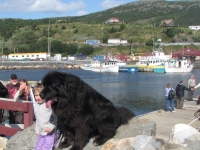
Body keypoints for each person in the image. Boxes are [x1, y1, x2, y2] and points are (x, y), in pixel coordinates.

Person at [33, 83, 60, 150]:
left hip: (51, 132)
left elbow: (56, 118)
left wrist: (51, 127)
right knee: (37, 147)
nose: (38, 97)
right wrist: (37, 130)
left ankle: (55, 141)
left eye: (40, 95)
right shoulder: (36, 106)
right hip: (42, 132)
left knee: (46, 148)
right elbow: (37, 119)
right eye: (36, 95)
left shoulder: (48, 105)